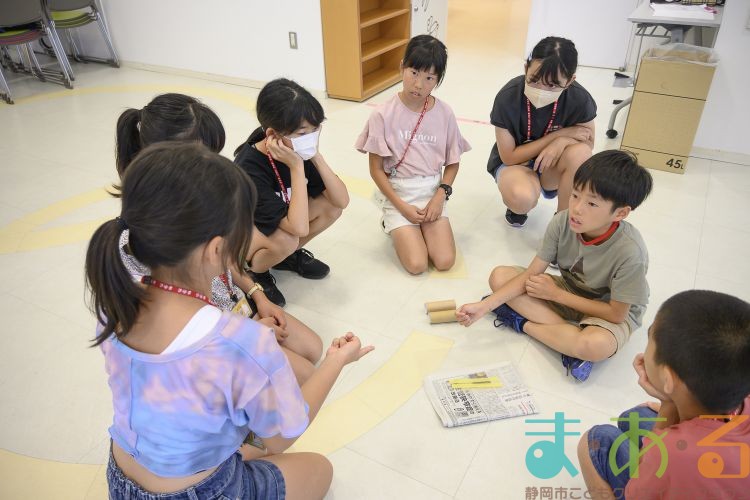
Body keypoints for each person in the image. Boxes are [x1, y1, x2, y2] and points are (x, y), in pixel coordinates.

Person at [87, 142, 373, 499]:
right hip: (202, 491)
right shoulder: (240, 340)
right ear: (215, 249)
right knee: (319, 469)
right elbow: (281, 437)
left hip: (121, 480)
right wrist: (336, 361)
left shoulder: (115, 301)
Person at [116, 93, 322, 383]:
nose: (213, 163)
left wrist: (256, 294)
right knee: (306, 376)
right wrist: (249, 333)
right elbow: (182, 318)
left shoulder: (199, 194)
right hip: (208, 336)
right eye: (204, 155)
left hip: (231, 306)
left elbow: (225, 261)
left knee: (313, 348)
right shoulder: (147, 235)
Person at [457, 150, 653, 382]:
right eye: (575, 195)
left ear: (621, 213)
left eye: (591, 203)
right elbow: (532, 273)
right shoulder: (562, 221)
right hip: (570, 290)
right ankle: (568, 340)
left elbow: (616, 314)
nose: (577, 208)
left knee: (594, 345)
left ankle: (524, 324)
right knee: (500, 277)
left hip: (606, 309)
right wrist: (485, 306)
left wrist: (556, 295)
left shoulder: (630, 252)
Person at [578, 290, 750, 499]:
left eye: (650, 340)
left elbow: (636, 494)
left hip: (674, 466)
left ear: (668, 379)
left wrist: (668, 407)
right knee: (635, 417)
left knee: (595, 441)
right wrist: (669, 400)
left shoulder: (674, 454)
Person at [355, 35, 471, 274]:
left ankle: (419, 229)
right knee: (417, 264)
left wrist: (440, 196)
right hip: (398, 194)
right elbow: (376, 170)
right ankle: (390, 222)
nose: (419, 84)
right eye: (414, 73)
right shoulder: (382, 114)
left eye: (429, 78)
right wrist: (401, 206)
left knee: (444, 261)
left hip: (432, 191)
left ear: (438, 80)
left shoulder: (445, 113)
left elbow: (453, 162)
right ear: (402, 67)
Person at [234, 78, 349, 306]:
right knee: (287, 239)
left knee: (331, 207)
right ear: (273, 134)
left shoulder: (296, 149)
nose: (310, 138)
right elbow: (298, 228)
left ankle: (283, 258)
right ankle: (257, 271)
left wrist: (316, 155)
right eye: (303, 133)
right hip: (244, 235)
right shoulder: (250, 168)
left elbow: (341, 200)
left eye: (315, 130)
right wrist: (296, 167)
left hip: (281, 221)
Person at [487, 36, 596, 228]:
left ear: (570, 81)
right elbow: (509, 157)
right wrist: (558, 136)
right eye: (534, 80)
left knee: (581, 153)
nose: (541, 89)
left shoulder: (580, 99)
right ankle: (517, 207)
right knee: (521, 198)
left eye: (552, 85)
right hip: (517, 163)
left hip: (552, 165)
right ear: (526, 69)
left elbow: (588, 143)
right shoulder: (508, 97)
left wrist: (562, 143)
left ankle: (562, 224)